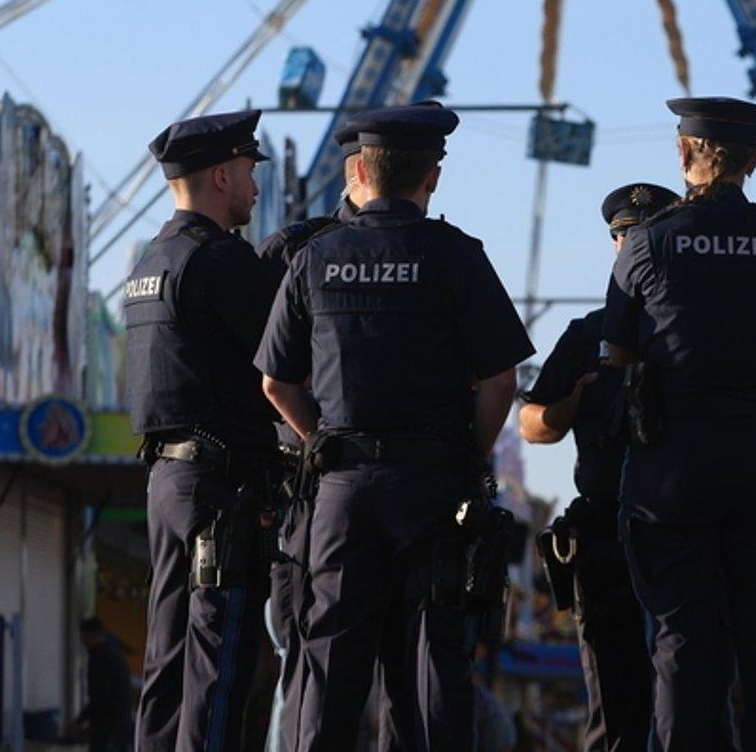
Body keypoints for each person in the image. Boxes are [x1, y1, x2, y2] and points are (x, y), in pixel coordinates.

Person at [256, 103, 534, 752]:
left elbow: (275, 381)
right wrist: (469, 453)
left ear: (358, 168)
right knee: (430, 659)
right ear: (431, 176)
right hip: (432, 488)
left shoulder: (315, 255)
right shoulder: (456, 256)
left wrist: (319, 441)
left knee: (327, 662)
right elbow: (500, 380)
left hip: (340, 489)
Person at [603, 97, 756, 752]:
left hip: (676, 457)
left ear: (683, 154)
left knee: (681, 635)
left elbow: (617, 352)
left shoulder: (646, 240)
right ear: (753, 160)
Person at [126, 109, 286, 752]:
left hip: (167, 480)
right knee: (218, 662)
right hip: (222, 490)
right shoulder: (220, 260)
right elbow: (288, 355)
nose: (253, 187)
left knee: (167, 659)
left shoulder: (151, 259)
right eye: (248, 172)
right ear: (221, 175)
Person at [520, 181, 680, 752]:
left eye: (645, 236)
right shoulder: (587, 335)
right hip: (606, 529)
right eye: (623, 237)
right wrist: (570, 404)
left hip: (679, 527)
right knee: (612, 702)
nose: (632, 246)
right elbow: (533, 423)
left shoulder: (688, 333)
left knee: (684, 697)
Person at [254, 123, 364, 752]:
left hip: (320, 474)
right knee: (304, 652)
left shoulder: (296, 250)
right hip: (306, 480)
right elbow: (264, 373)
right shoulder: (293, 252)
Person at [71, 617, 135, 752]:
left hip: (108, 731)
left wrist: (81, 722)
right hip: (119, 727)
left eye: (83, 636)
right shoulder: (113, 654)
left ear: (88, 635)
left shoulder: (100, 658)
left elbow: (100, 696)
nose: (82, 641)